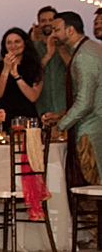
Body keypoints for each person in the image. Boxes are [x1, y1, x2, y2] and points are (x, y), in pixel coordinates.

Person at [44, 11, 102, 188]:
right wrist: (61, 114)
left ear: (70, 30)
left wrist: (60, 127)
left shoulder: (84, 56)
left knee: (90, 187)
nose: (53, 34)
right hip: (93, 126)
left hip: (89, 131)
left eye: (56, 30)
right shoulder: (89, 49)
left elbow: (85, 102)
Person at [0, 27, 43, 122]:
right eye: (9, 43)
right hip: (4, 116)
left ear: (25, 43)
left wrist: (16, 76)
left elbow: (33, 97)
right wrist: (6, 69)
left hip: (27, 117)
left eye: (17, 41)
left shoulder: (35, 66)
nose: (13, 46)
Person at [33, 6, 70, 117]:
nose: (47, 23)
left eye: (50, 20)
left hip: (64, 108)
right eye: (43, 21)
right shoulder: (34, 48)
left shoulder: (66, 45)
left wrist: (60, 49)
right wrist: (48, 55)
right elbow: (34, 74)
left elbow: (74, 69)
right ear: (39, 24)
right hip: (41, 108)